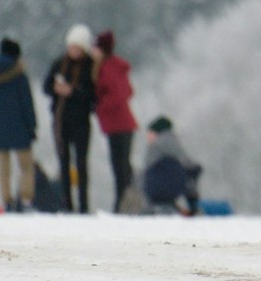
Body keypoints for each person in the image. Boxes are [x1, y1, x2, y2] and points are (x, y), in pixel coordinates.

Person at [45, 24, 98, 214]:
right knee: (64, 163)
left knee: (82, 164)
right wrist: (56, 89)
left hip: (81, 122)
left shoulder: (90, 67)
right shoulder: (59, 64)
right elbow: (46, 86)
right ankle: (66, 204)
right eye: (71, 47)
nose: (73, 51)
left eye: (77, 47)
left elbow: (93, 95)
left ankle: (83, 205)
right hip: (61, 122)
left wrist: (72, 92)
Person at [0, 38, 38, 212]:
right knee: (26, 166)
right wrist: (32, 126)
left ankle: (7, 200)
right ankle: (25, 199)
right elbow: (27, 103)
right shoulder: (19, 76)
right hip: (20, 127)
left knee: (3, 167)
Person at [92, 29, 138, 213]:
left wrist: (100, 107)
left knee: (121, 168)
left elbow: (120, 93)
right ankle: (123, 203)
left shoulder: (109, 68)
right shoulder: (110, 66)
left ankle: (123, 205)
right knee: (122, 167)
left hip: (120, 125)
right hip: (119, 125)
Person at [141, 116, 205, 216]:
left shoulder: (155, 145)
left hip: (155, 189)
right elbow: (188, 163)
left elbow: (147, 169)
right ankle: (193, 208)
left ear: (156, 131)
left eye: (149, 133)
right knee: (190, 175)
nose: (148, 137)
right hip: (175, 188)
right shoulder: (173, 142)